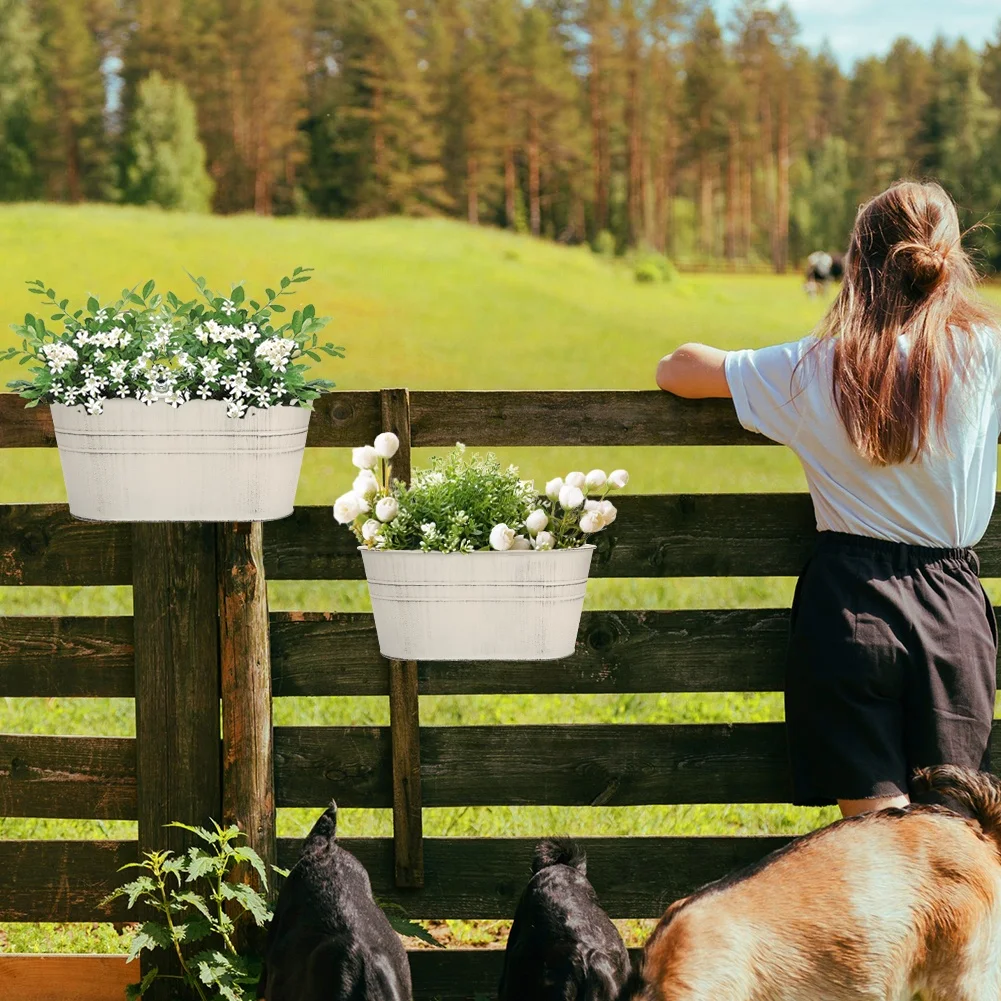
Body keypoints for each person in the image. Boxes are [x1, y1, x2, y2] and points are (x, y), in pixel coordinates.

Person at [656, 180, 1000, 819]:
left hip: (848, 605)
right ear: (948, 261)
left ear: (861, 265)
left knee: (876, 850)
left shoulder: (814, 366)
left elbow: (676, 367)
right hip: (952, 607)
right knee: (952, 836)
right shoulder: (986, 354)